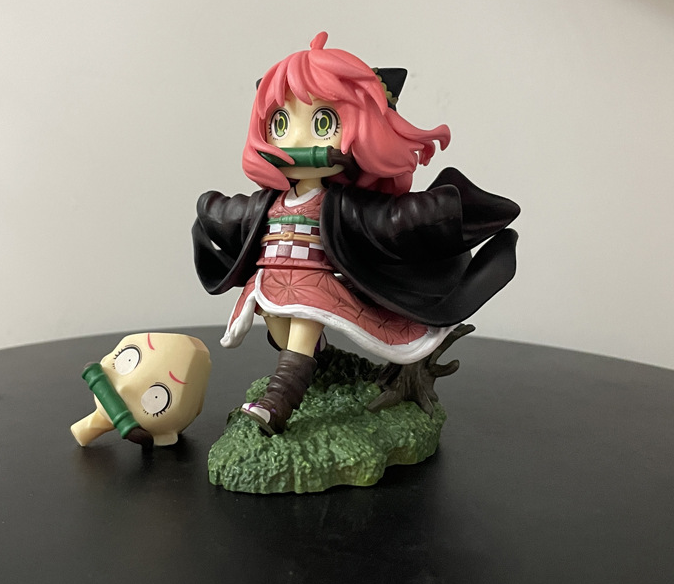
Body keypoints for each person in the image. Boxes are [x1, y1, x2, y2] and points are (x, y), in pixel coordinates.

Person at [193, 32, 519, 434]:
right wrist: (210, 208)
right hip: (270, 280)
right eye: (280, 123)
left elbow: (391, 220)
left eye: (322, 123)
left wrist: (441, 210)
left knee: (304, 319)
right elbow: (233, 214)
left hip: (313, 283)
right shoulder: (270, 202)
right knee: (278, 323)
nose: (296, 141)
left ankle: (277, 403)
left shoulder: (339, 202)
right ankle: (317, 360)